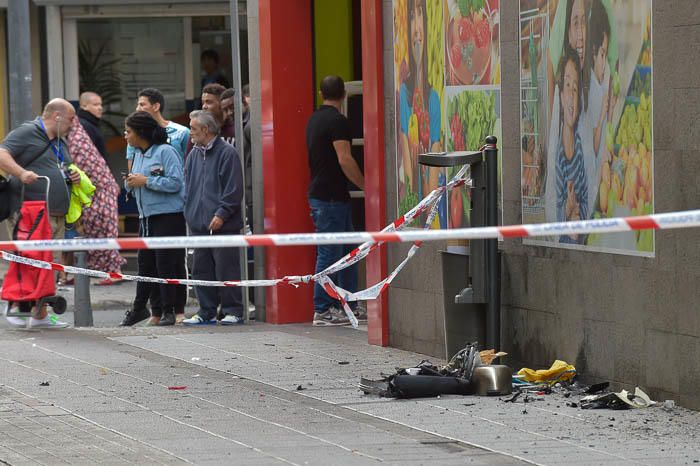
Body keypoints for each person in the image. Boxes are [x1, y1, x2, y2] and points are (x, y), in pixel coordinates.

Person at [0, 98, 81, 328]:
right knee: (28, 261)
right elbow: (2, 153)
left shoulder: (60, 141)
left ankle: (39, 314)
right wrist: (21, 172)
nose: (73, 124)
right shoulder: (28, 132)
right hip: (30, 212)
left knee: (48, 264)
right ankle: (17, 307)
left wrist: (71, 176)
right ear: (56, 116)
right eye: (71, 119)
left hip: (54, 212)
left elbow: (63, 167)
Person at [124, 88, 189, 323]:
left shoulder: (167, 152)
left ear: (140, 133)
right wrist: (131, 183)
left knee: (167, 263)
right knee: (146, 263)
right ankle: (153, 310)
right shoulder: (138, 154)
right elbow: (135, 182)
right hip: (146, 216)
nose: (125, 136)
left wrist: (147, 181)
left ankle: (172, 309)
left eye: (128, 131)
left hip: (168, 215)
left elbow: (175, 183)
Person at [306, 75, 365, 326]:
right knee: (331, 254)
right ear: (343, 95)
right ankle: (323, 309)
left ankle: (348, 303)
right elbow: (344, 159)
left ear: (321, 94)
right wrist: (366, 186)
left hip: (325, 197)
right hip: (330, 199)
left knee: (345, 253)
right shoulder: (338, 122)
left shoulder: (314, 119)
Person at [182, 110, 244, 326]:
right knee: (201, 269)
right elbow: (188, 187)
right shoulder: (193, 155)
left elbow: (233, 190)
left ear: (205, 130)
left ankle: (233, 310)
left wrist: (221, 214)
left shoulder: (228, 153)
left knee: (227, 268)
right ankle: (206, 311)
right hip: (198, 225)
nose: (190, 133)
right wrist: (189, 213)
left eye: (193, 128)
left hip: (222, 226)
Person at [398, 0, 443, 225]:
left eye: (420, 14)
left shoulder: (433, 98)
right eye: (411, 15)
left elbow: (436, 145)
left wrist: (429, 202)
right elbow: (404, 143)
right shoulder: (403, 94)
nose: (417, 27)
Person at [66, 117, 126, 281]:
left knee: (103, 230)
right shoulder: (79, 135)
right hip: (93, 191)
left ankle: (111, 271)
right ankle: (91, 271)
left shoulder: (75, 139)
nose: (99, 109)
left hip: (96, 191)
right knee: (97, 231)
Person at [555, 47, 588, 244]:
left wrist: (578, 214)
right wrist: (567, 209)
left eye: (575, 89)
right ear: (560, 95)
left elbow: (584, 196)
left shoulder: (579, 147)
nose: (571, 95)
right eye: (567, 86)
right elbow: (555, 216)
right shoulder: (558, 157)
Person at [126, 88, 190, 168]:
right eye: (138, 105)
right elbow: (132, 171)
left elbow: (192, 164)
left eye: (142, 105)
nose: (137, 109)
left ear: (156, 106)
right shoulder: (135, 135)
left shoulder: (182, 132)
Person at [77, 92, 107, 159]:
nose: (100, 108)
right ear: (84, 106)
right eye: (95, 105)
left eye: (100, 104)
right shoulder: (84, 126)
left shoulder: (92, 123)